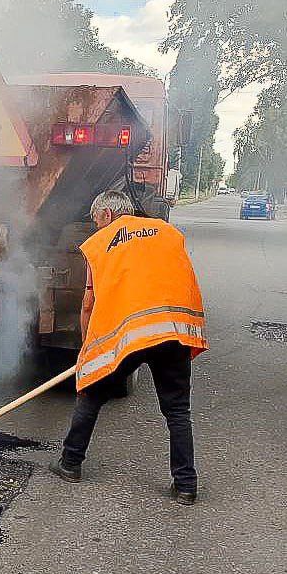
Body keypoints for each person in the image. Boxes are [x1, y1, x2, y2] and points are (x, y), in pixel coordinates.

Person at [49, 190, 209, 505]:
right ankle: (186, 486)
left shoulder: (100, 243)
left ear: (106, 215)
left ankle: (70, 464)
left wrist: (86, 353)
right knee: (177, 410)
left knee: (91, 392)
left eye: (96, 221)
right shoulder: (167, 231)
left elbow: (88, 305)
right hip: (175, 327)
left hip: (131, 332)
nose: (96, 227)